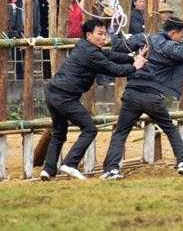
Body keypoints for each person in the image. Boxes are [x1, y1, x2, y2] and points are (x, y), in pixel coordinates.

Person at [39, 19, 148, 181]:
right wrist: (135, 67)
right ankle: (70, 163)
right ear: (89, 35)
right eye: (100, 34)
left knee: (59, 132)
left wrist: (132, 58)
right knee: (90, 129)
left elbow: (110, 55)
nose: (104, 38)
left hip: (52, 94)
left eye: (105, 34)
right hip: (65, 97)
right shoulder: (91, 53)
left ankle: (48, 170)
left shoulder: (85, 47)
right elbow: (114, 69)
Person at [101, 17, 183, 180]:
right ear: (172, 33)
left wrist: (117, 26)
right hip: (152, 96)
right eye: (181, 37)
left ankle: (111, 170)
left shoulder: (144, 38)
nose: (182, 41)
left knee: (120, 132)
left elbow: (118, 45)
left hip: (131, 93)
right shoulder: (169, 45)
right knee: (170, 129)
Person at [0, 0, 24, 80]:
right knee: (2, 53)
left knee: (18, 53)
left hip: (16, 25)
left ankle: (20, 76)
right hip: (3, 26)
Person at [37, 0, 62, 79]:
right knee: (45, 53)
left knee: (56, 53)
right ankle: (46, 76)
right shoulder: (40, 0)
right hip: (43, 29)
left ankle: (56, 75)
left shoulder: (58, 0)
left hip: (55, 30)